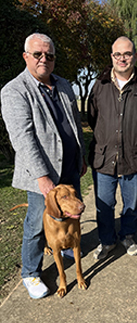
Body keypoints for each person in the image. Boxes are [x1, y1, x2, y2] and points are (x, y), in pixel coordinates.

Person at [1, 33, 87, 299]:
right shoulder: (15, 91)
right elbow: (23, 138)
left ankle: (63, 246)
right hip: (43, 175)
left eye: (49, 55)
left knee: (71, 216)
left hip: (70, 169)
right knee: (37, 225)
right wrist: (41, 177)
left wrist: (81, 156)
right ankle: (31, 272)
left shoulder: (63, 84)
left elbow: (75, 124)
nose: (44, 59)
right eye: (37, 54)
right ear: (26, 56)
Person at [87, 36, 137, 260]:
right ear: (112, 57)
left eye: (127, 54)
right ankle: (107, 240)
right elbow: (92, 118)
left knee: (132, 204)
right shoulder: (99, 85)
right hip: (103, 159)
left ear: (135, 56)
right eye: (117, 54)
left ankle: (127, 235)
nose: (122, 58)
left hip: (135, 159)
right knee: (104, 205)